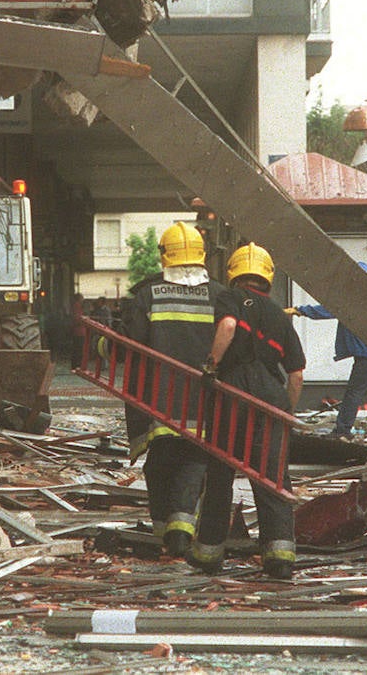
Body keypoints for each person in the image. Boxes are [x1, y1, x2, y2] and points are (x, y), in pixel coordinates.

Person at [190, 243, 305, 581]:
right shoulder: (279, 316)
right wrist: (286, 412)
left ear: (235, 273)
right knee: (272, 478)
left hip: (231, 397)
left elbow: (227, 327)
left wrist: (211, 366)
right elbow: (297, 375)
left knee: (220, 476)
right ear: (267, 277)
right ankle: (280, 557)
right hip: (269, 400)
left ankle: (209, 555)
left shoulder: (230, 297)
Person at [123, 221, 225, 557]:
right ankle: (180, 529)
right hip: (205, 405)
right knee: (195, 462)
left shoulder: (147, 296)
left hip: (160, 404)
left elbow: (130, 346)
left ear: (164, 256)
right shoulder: (221, 296)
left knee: (159, 463)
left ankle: (164, 530)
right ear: (202, 255)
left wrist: (99, 349)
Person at [286, 261, 367, 434]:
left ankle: (342, 429)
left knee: (353, 393)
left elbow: (326, 311)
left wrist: (299, 310)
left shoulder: (353, 301)